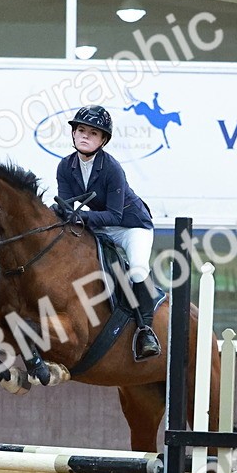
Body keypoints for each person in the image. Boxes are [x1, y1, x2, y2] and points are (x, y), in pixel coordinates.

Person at [53, 105, 160, 360]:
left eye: (93, 133)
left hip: (131, 226)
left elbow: (115, 215)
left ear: (103, 140)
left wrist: (79, 217)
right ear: (73, 133)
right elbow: (67, 208)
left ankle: (145, 330)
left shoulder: (112, 168)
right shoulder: (65, 167)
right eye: (81, 130)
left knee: (137, 269)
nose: (85, 136)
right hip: (99, 226)